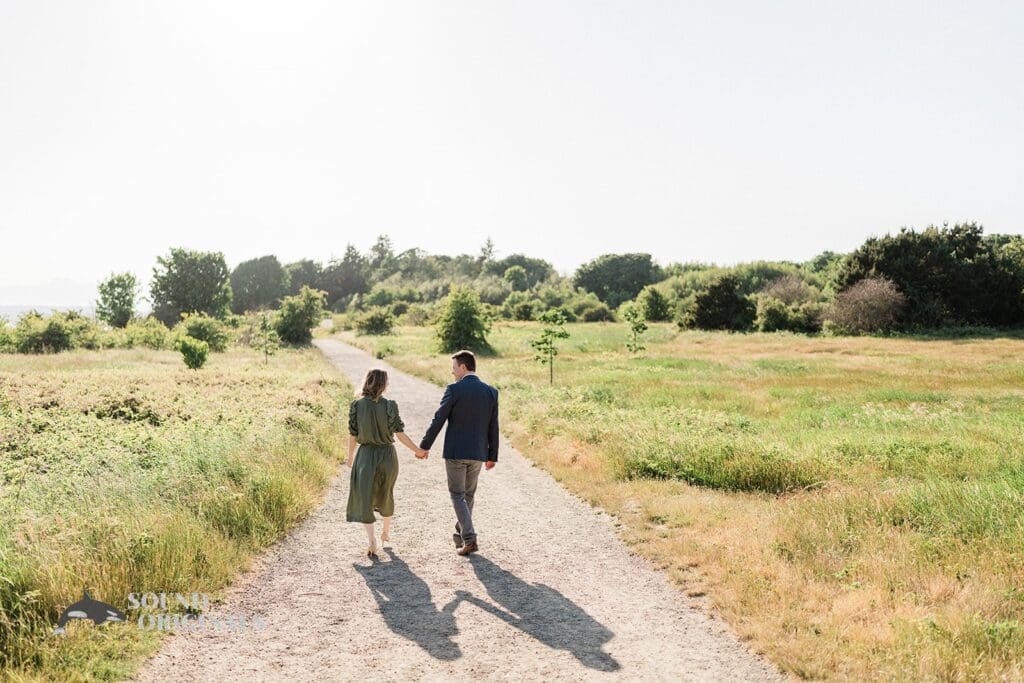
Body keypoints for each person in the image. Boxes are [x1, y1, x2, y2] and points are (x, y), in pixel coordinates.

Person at [419, 349, 499, 556]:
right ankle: (460, 535)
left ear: (463, 367)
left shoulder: (454, 390)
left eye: (454, 368)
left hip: (456, 452)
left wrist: (425, 446)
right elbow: (493, 426)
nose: (452, 372)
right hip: (479, 453)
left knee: (457, 495)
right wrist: (492, 455)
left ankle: (470, 539)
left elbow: (439, 419)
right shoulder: (491, 391)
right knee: (468, 495)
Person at [346, 368, 427, 558]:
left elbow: (352, 434)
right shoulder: (390, 405)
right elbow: (399, 434)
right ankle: (386, 532)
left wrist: (350, 457)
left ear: (367, 381)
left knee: (365, 496)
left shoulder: (356, 405)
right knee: (386, 493)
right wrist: (417, 450)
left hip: (365, 455)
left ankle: (371, 541)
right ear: (384, 384)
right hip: (388, 456)